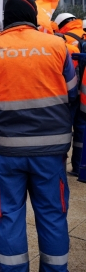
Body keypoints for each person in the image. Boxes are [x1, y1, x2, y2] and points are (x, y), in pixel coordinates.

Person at [0, 0, 77, 272]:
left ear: (7, 19)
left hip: (7, 152)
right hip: (50, 153)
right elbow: (71, 96)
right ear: (32, 17)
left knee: (10, 217)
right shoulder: (57, 46)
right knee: (53, 217)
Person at [54, 13, 86, 176]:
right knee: (81, 130)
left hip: (68, 94)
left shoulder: (63, 42)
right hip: (83, 93)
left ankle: (60, 163)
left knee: (63, 129)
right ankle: (80, 165)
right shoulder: (84, 33)